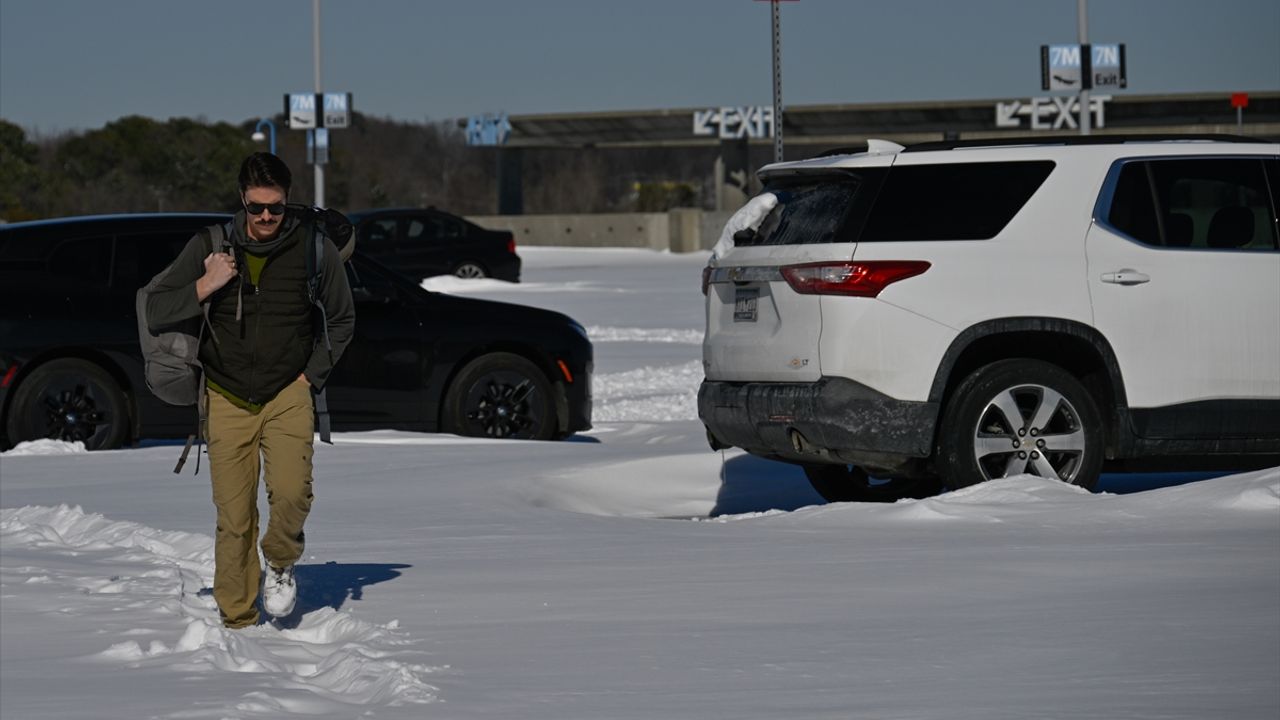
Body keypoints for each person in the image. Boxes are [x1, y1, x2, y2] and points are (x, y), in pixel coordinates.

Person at [146, 153, 355, 628]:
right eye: (257, 207)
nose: (266, 218)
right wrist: (205, 283)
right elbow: (156, 310)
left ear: (287, 201)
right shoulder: (210, 244)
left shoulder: (313, 248)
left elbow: (342, 320)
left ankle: (279, 563)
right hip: (225, 393)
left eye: (276, 208)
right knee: (235, 515)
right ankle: (238, 619)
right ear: (242, 199)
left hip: (288, 391)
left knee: (290, 495)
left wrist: (310, 377)